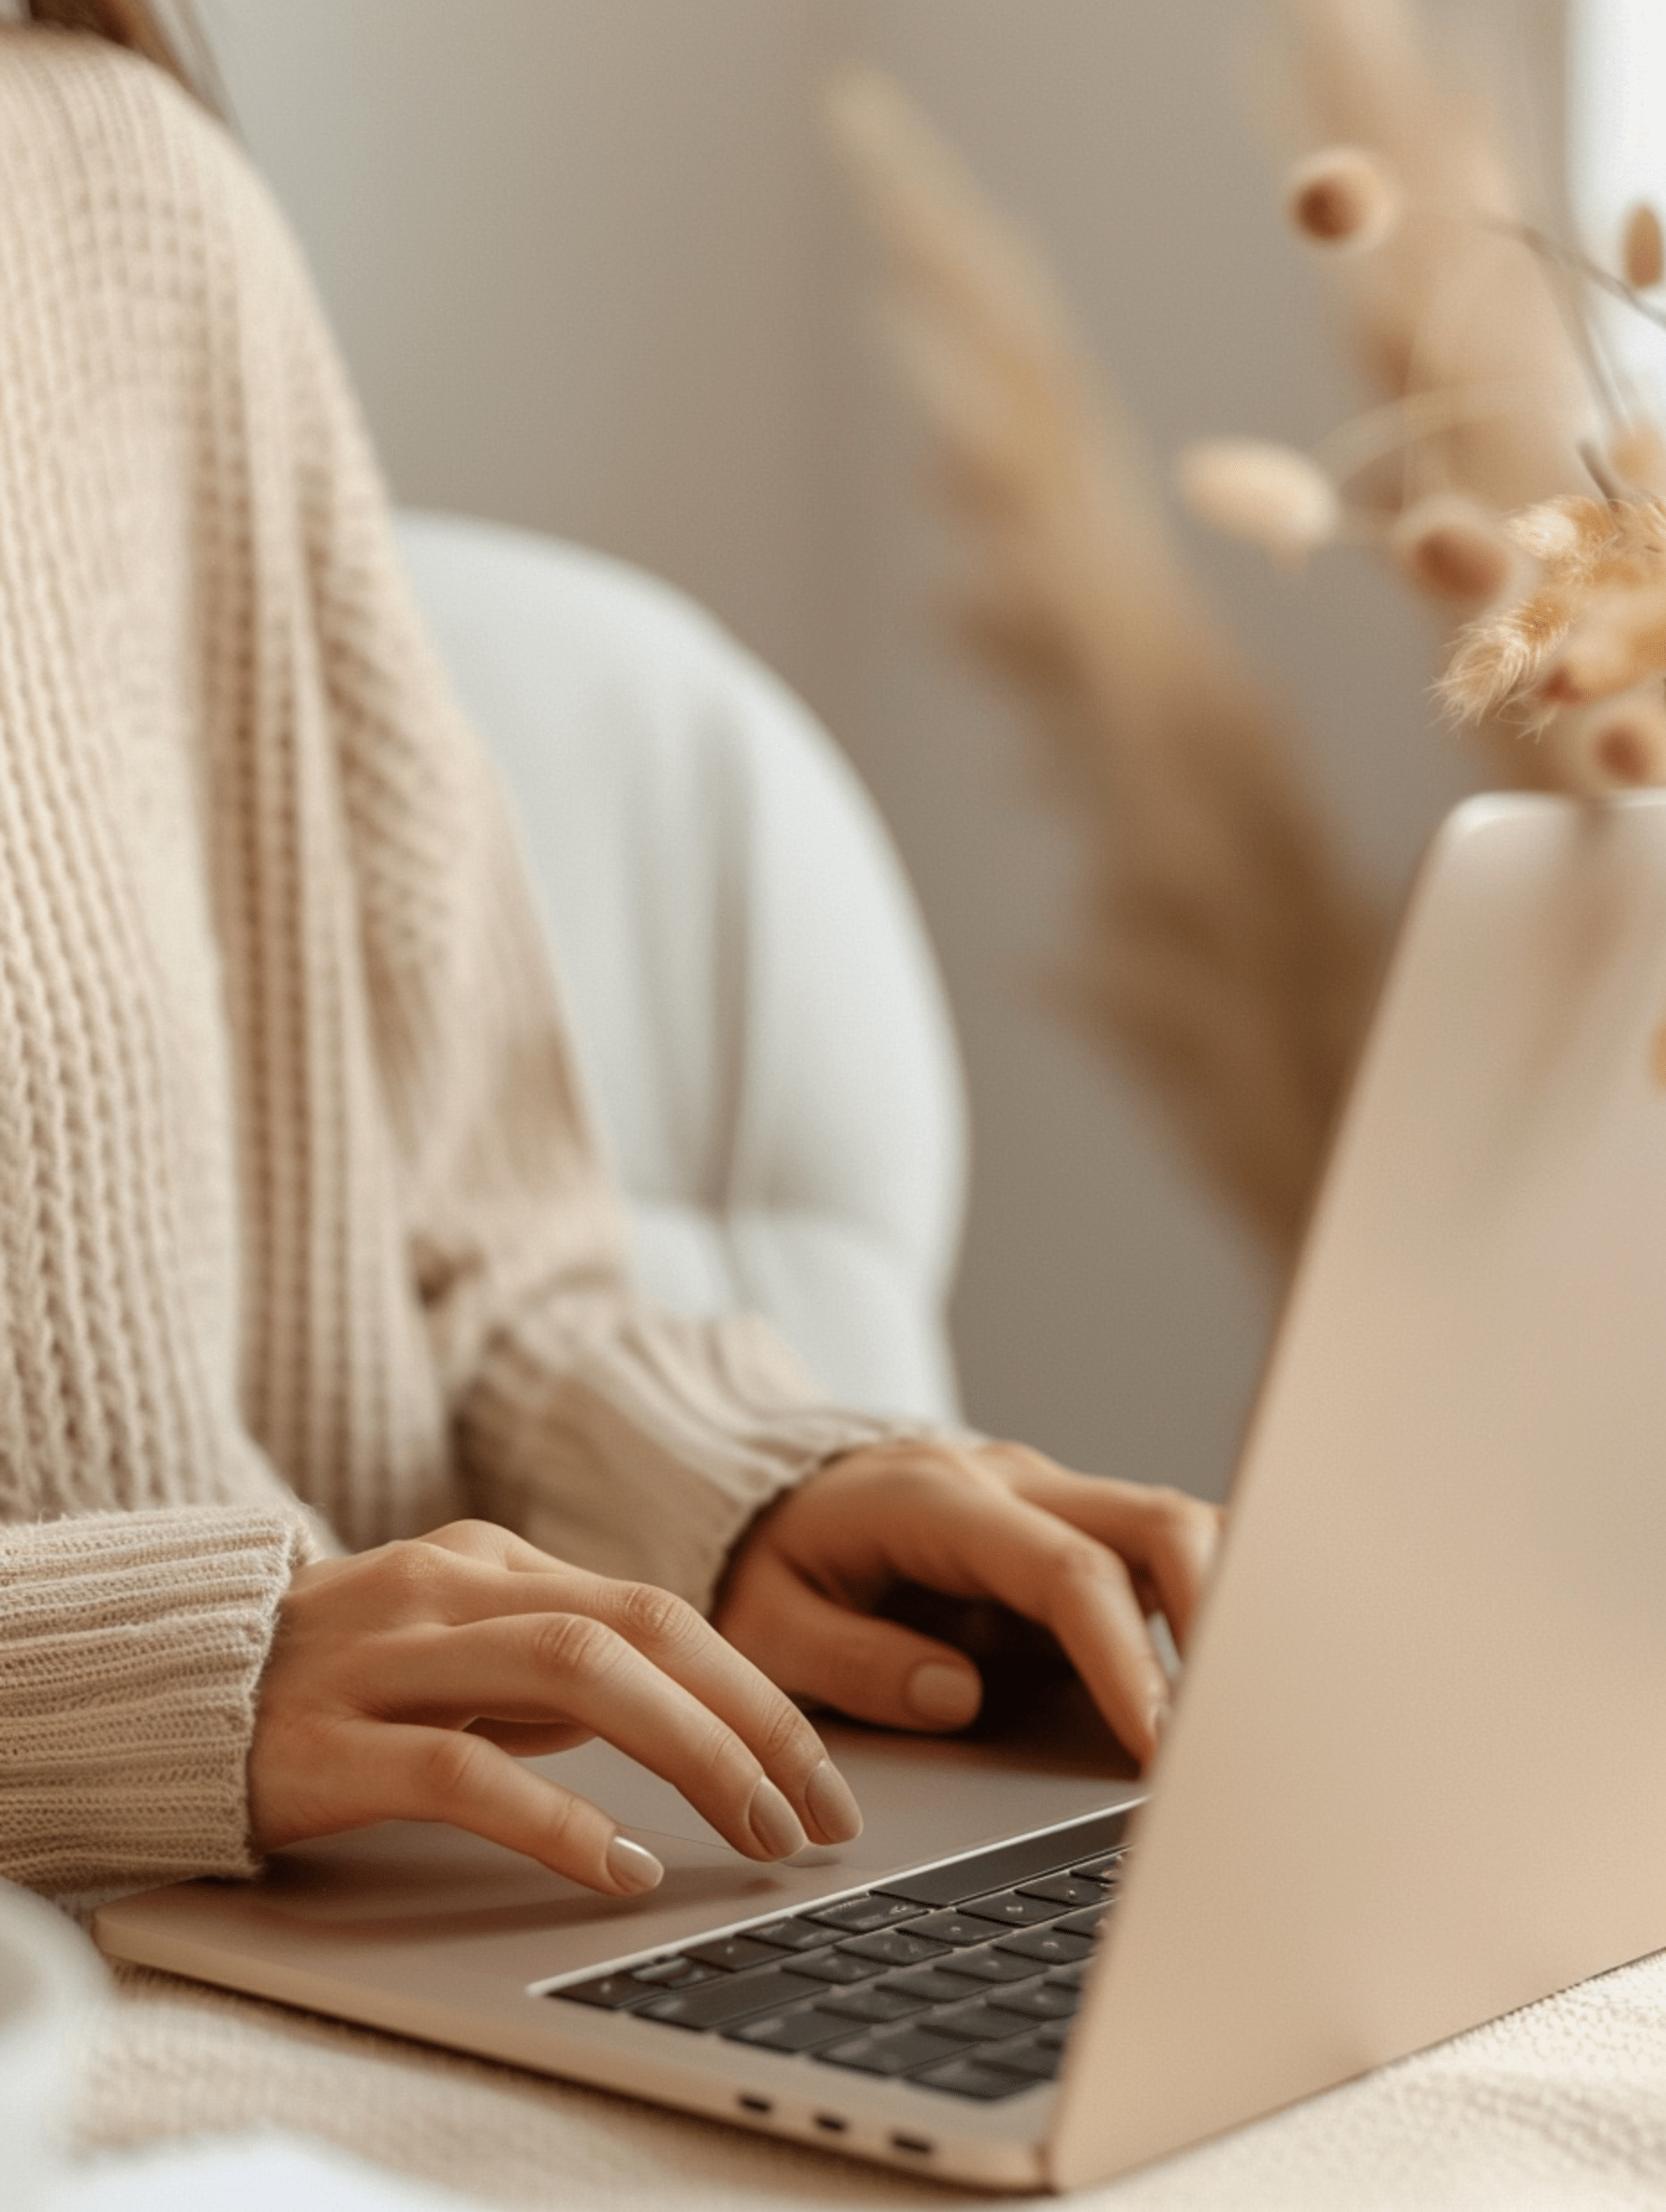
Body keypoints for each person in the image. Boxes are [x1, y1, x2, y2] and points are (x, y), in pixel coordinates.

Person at [0, 3, 1223, 1905]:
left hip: (374, 1918)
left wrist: (736, 1492)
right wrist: (115, 1686)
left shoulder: (114, 186)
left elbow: (470, 1265)